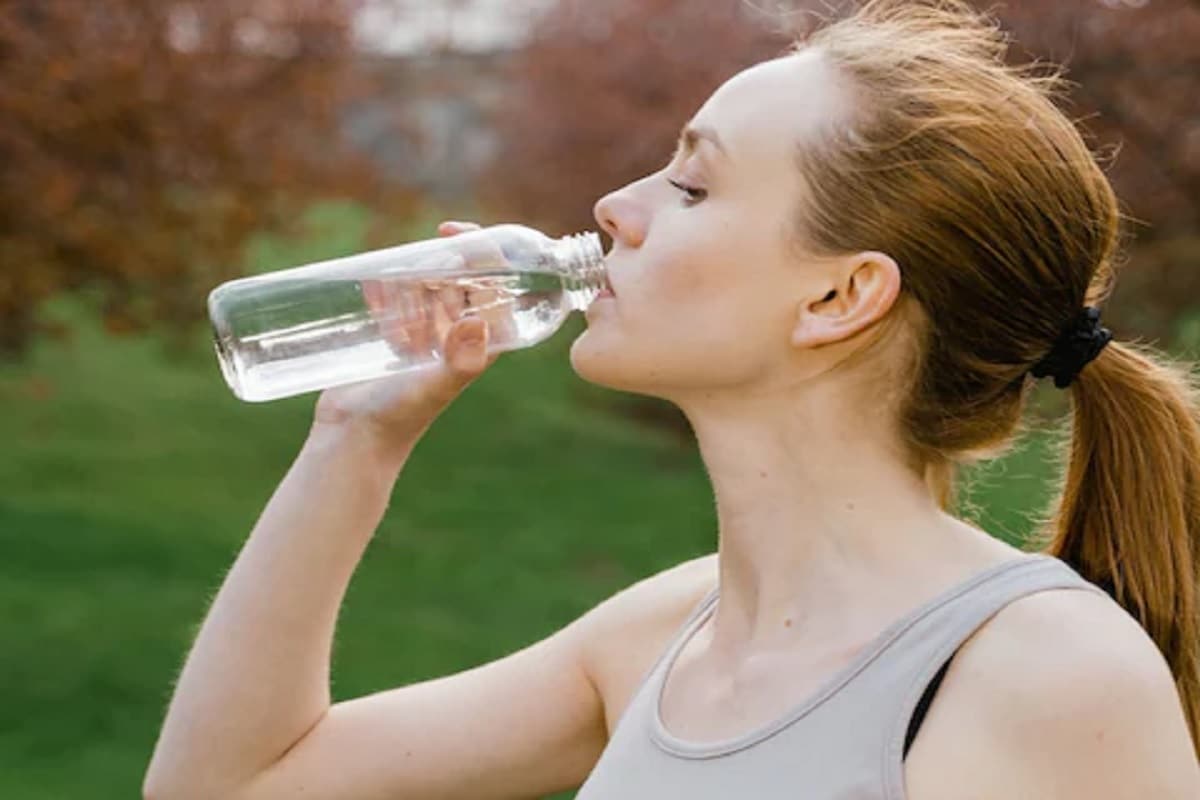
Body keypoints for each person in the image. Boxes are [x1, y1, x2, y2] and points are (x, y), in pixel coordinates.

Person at [144, 1, 1200, 797]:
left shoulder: (1046, 676)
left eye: (692, 187)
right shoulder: (665, 632)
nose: (615, 206)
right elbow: (229, 783)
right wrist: (357, 436)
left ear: (840, 296)